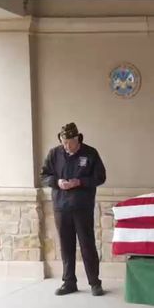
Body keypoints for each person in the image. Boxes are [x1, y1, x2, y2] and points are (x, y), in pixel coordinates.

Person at [40, 123, 107, 296]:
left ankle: (95, 283)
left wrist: (80, 182)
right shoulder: (54, 154)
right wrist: (57, 182)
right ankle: (69, 282)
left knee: (87, 245)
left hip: (82, 207)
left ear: (78, 139)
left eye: (70, 142)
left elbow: (100, 177)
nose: (66, 146)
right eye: (63, 142)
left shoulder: (90, 153)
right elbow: (44, 175)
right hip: (61, 207)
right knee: (66, 245)